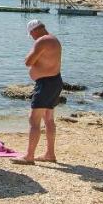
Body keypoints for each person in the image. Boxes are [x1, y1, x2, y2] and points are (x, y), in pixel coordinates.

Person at [14, 19, 62, 165]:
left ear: (34, 31)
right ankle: (50, 154)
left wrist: (30, 56)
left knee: (34, 120)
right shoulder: (54, 39)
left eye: (31, 34)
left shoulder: (41, 41)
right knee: (48, 119)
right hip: (55, 81)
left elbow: (28, 62)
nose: (32, 37)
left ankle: (29, 156)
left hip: (45, 84)